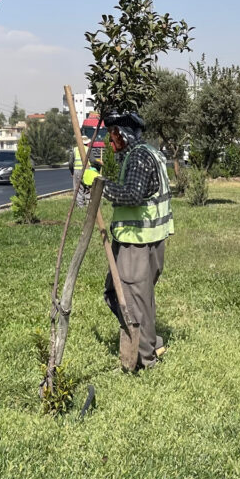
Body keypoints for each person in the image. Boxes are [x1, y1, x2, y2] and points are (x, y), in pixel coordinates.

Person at [81, 111, 172, 371]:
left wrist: (98, 183)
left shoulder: (140, 156)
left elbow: (132, 195)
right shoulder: (149, 153)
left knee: (132, 300)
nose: (111, 143)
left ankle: (145, 359)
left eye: (114, 135)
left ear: (125, 133)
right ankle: (151, 341)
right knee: (128, 295)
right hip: (146, 238)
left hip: (139, 241)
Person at [70, 136, 92, 207]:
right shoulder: (88, 149)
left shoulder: (75, 149)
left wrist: (72, 172)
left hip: (77, 171)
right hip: (87, 170)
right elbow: (93, 160)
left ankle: (80, 205)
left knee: (78, 188)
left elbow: (70, 163)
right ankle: (89, 204)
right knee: (88, 188)